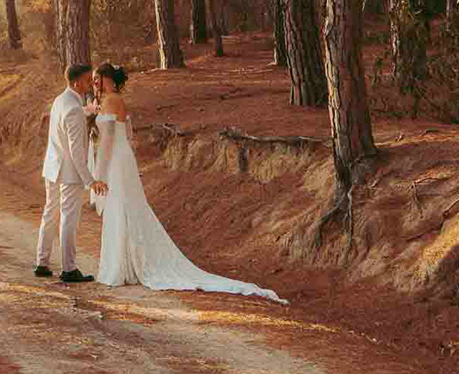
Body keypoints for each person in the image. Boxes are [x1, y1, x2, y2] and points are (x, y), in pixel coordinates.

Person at [90, 62, 286, 303]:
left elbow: (108, 140)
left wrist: (98, 173)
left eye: (97, 78)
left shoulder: (109, 100)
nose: (95, 83)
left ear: (107, 78)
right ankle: (126, 263)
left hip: (115, 159)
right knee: (126, 206)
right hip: (123, 157)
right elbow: (128, 134)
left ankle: (121, 266)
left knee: (121, 206)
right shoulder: (115, 99)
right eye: (93, 79)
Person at [37, 63, 105, 284]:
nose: (90, 84)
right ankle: (69, 269)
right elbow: (77, 152)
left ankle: (42, 263)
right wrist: (90, 180)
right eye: (87, 80)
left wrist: (90, 110)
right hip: (69, 172)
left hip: (52, 167)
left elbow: (73, 116)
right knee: (68, 218)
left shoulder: (61, 100)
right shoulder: (74, 109)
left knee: (50, 214)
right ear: (76, 82)